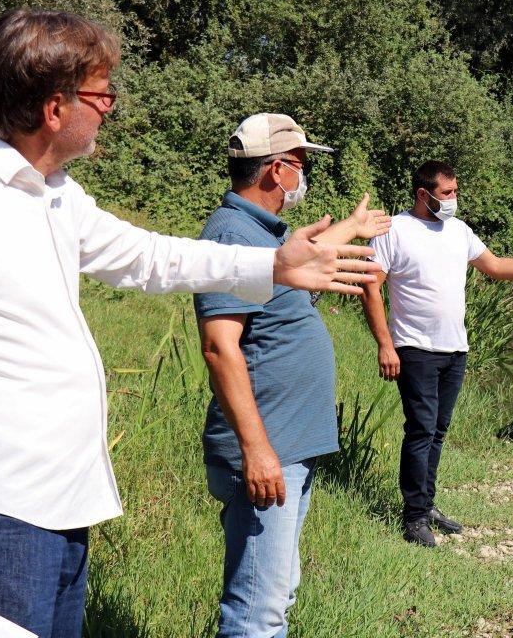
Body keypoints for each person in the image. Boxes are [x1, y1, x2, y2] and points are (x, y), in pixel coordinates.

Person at [0, 10, 378, 638]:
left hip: (62, 508)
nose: (110, 110)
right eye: (101, 94)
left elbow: (147, 257)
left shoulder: (52, 193)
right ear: (52, 107)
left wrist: (273, 264)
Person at [195, 114, 389, 638]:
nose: (304, 176)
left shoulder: (262, 234)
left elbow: (306, 265)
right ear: (276, 170)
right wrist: (257, 451)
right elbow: (219, 348)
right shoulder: (232, 234)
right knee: (257, 611)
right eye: (300, 165)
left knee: (276, 596)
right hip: (268, 449)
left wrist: (352, 227)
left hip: (288, 445)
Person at [362, 160, 513, 547]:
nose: (453, 199)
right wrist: (386, 344)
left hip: (455, 348)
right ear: (423, 194)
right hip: (414, 348)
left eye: (455, 191)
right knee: (420, 429)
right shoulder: (393, 231)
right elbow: (370, 287)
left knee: (438, 430)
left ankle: (426, 504)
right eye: (446, 193)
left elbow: (495, 266)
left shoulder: (458, 231)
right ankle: (414, 518)